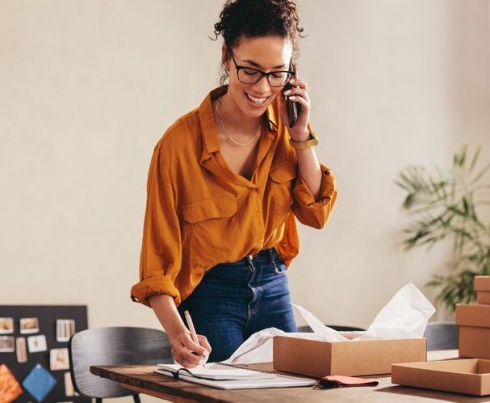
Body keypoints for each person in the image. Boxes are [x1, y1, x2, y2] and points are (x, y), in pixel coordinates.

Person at [131, 0, 338, 367]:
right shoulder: (178, 147)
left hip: (272, 282)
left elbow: (317, 212)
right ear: (227, 57)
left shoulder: (287, 129)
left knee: (292, 393)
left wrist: (301, 133)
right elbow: (157, 265)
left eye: (278, 73)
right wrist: (179, 335)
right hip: (212, 293)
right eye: (251, 71)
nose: (263, 88)